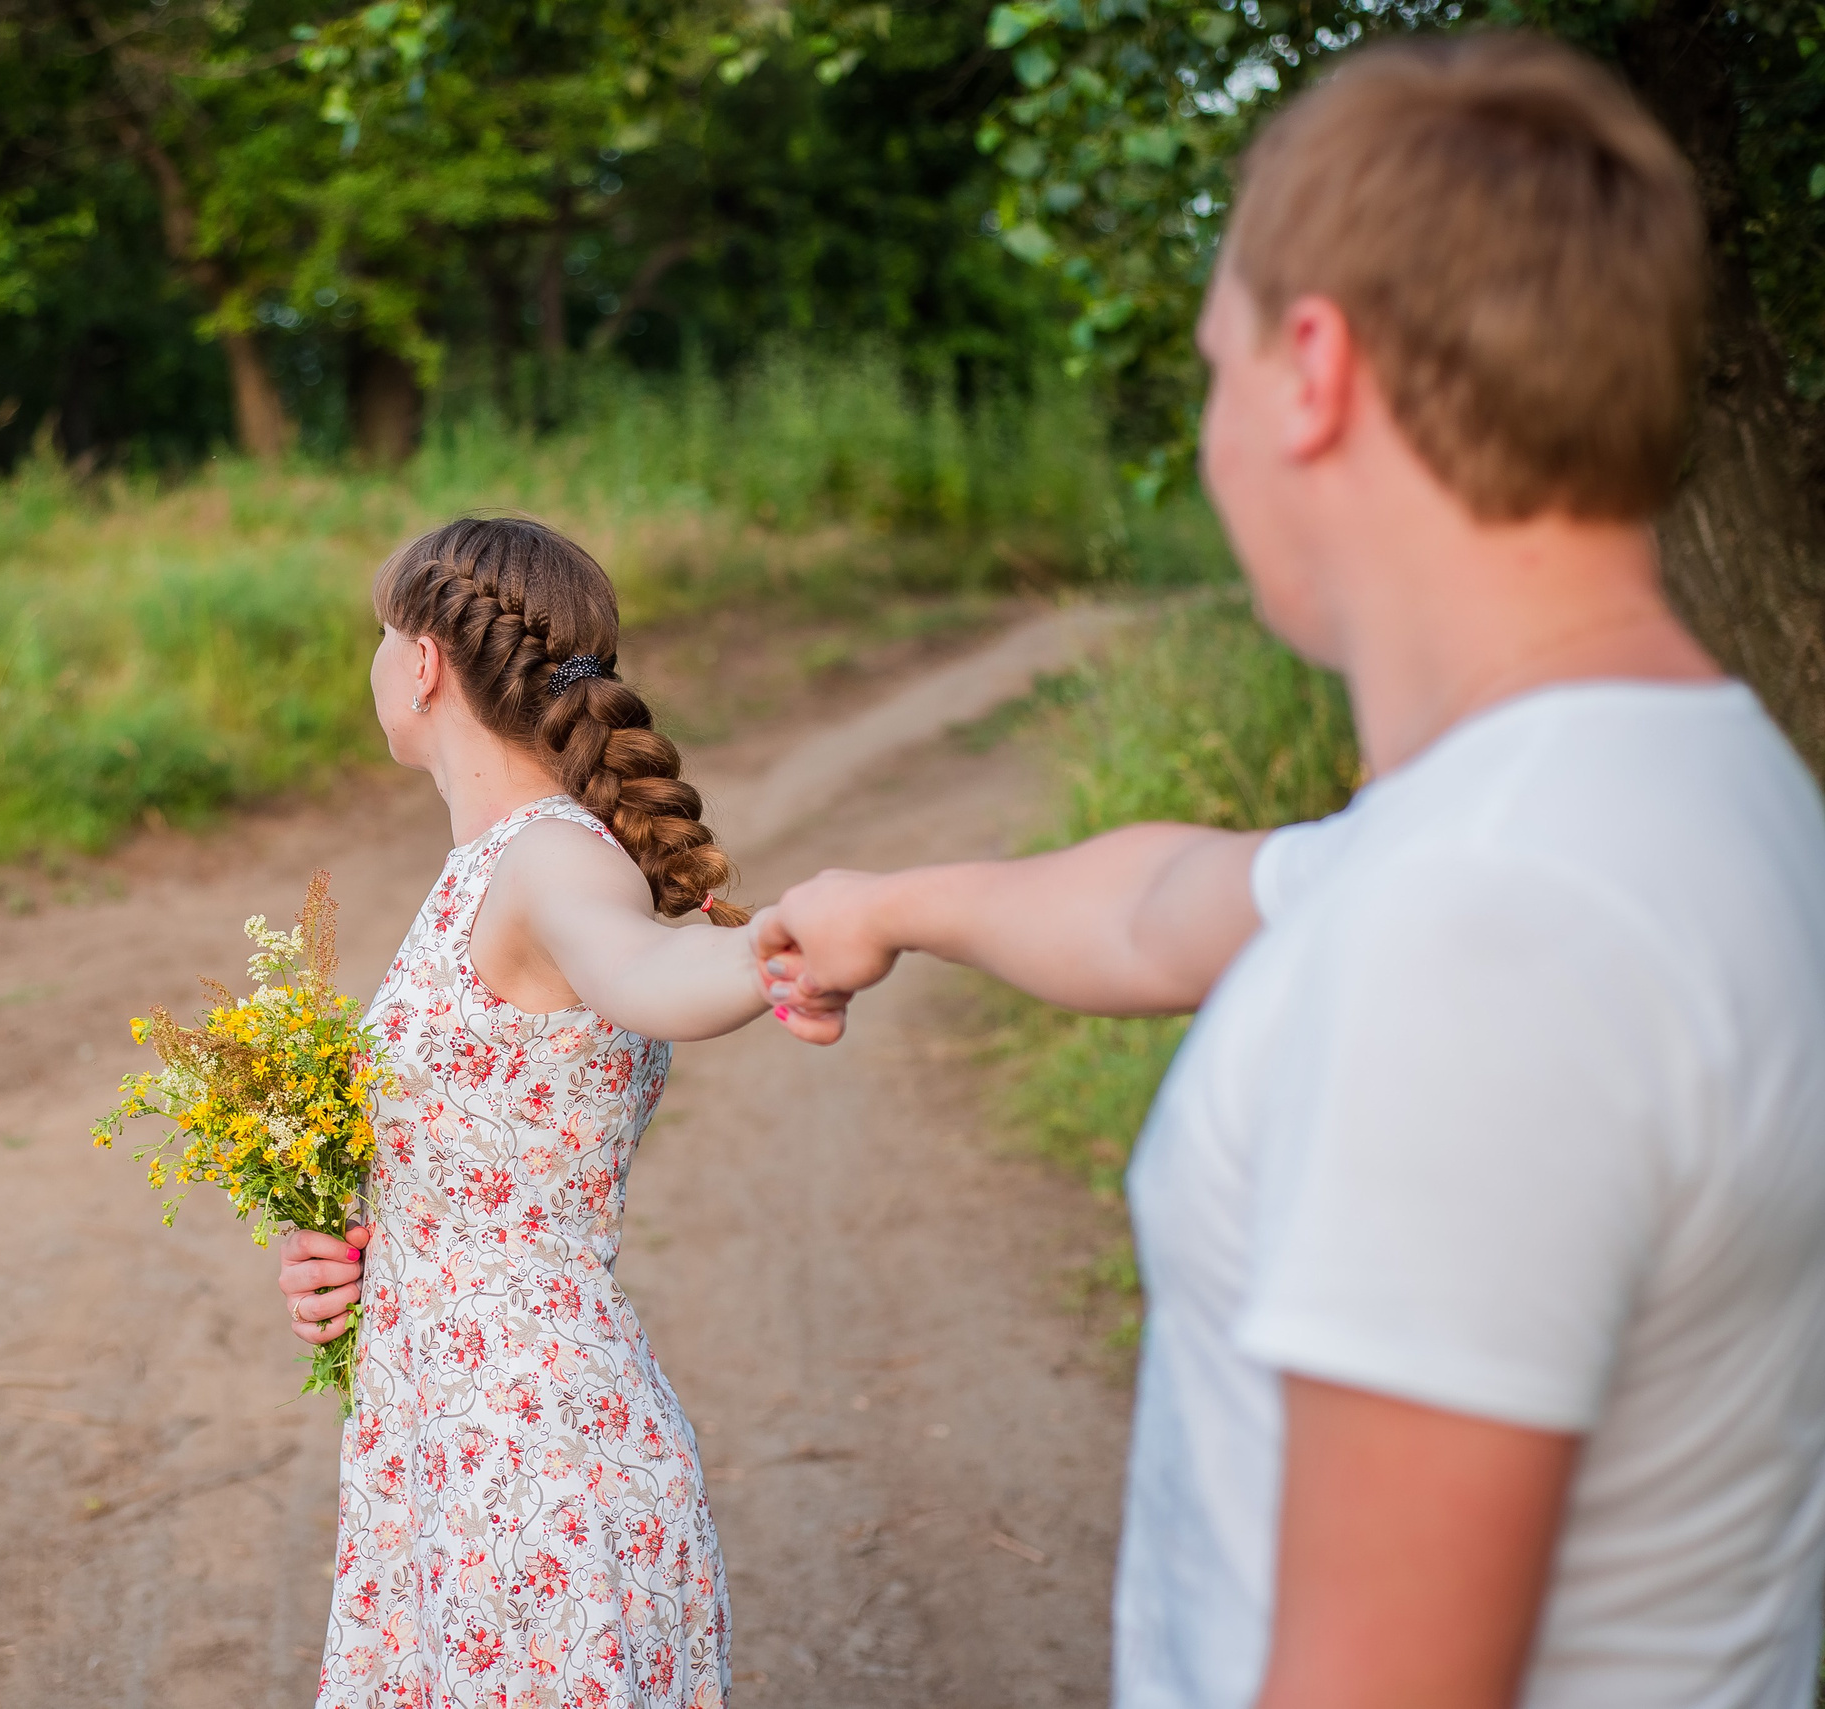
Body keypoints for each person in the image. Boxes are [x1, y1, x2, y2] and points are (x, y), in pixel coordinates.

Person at [752, 34, 1825, 1709]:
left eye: (1212, 366)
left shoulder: (1483, 933)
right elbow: (1162, 902)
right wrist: (887, 905)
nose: (1212, 433)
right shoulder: (1682, 788)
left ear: (1310, 370)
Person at [281, 517, 788, 1709]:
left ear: (419, 662)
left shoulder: (553, 857)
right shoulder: (490, 862)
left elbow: (644, 972)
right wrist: (349, 1246)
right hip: (439, 1451)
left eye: (376, 639)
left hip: (532, 1461)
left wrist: (784, 945)